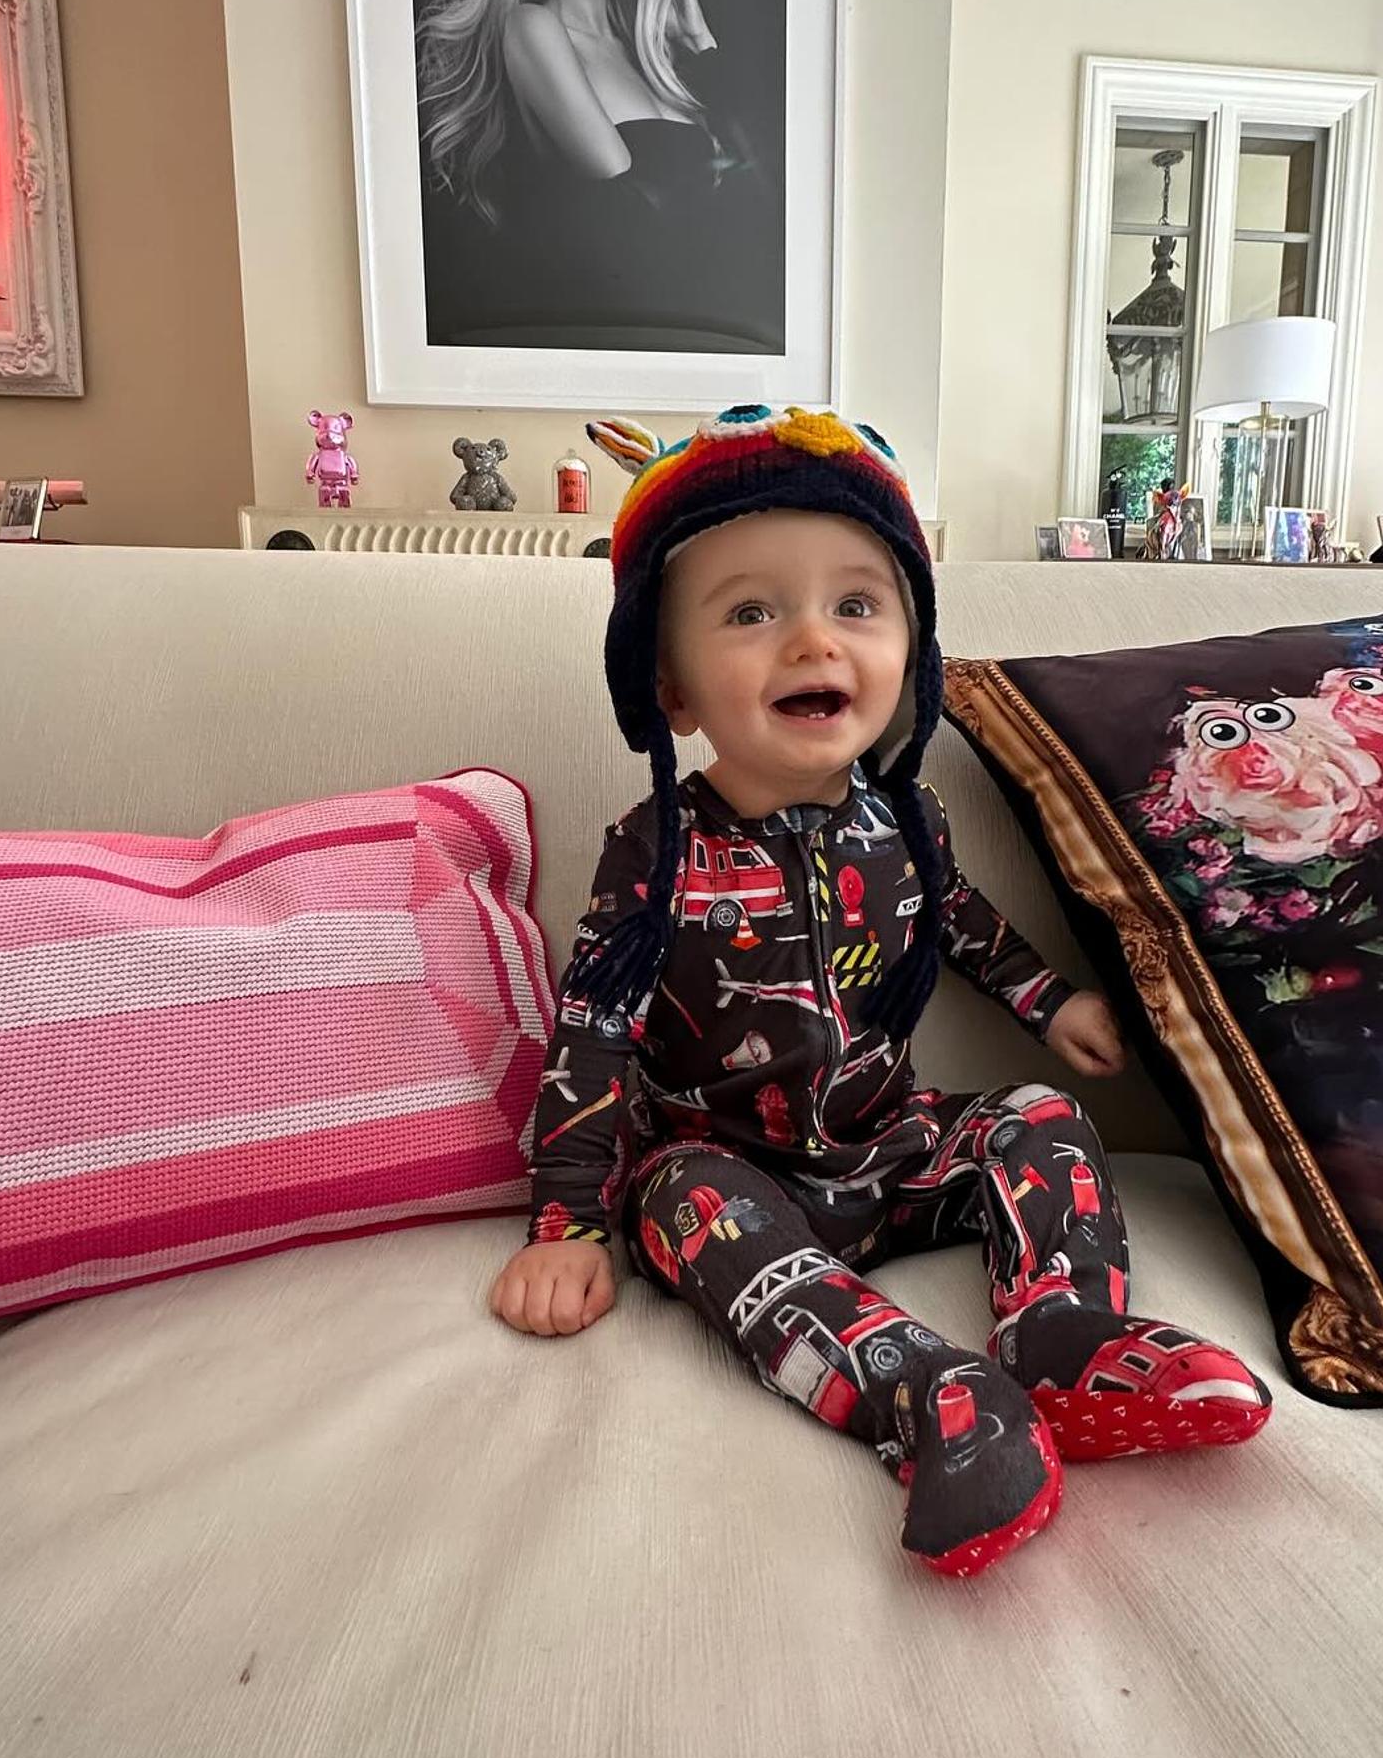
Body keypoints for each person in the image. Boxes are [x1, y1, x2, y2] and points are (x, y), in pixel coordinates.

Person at [490, 404, 1272, 1579]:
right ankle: (932, 1397)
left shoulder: (907, 820)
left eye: (855, 604)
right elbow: (591, 1032)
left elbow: (961, 921)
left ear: (911, 652)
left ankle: (1061, 1333)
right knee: (683, 1195)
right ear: (671, 688)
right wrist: (567, 1222)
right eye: (750, 612)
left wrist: (1053, 1003)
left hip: (888, 1148)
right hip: (733, 1172)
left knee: (1040, 1113)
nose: (813, 639)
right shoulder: (654, 850)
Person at [415, 0, 778, 351]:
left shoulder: (654, 57)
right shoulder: (532, 28)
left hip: (700, 346)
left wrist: (701, 41)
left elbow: (761, 191)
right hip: (615, 342)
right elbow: (626, 199)